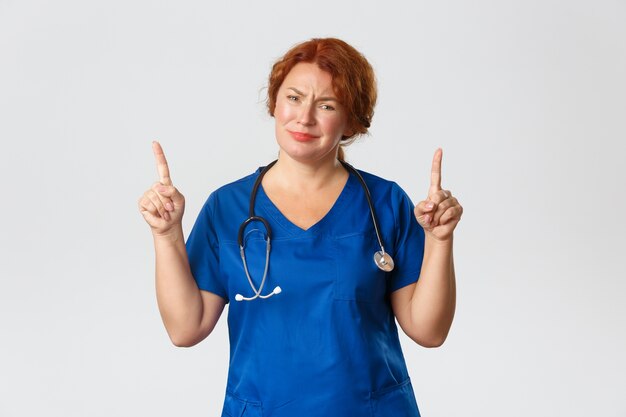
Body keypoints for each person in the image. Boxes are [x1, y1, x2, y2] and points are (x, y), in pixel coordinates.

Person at [138, 37, 463, 417]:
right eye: (293, 98)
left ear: (351, 121)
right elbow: (185, 328)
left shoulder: (385, 204)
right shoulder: (228, 209)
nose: (304, 118)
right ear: (274, 103)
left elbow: (429, 331)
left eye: (326, 105)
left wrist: (440, 241)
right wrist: (166, 235)